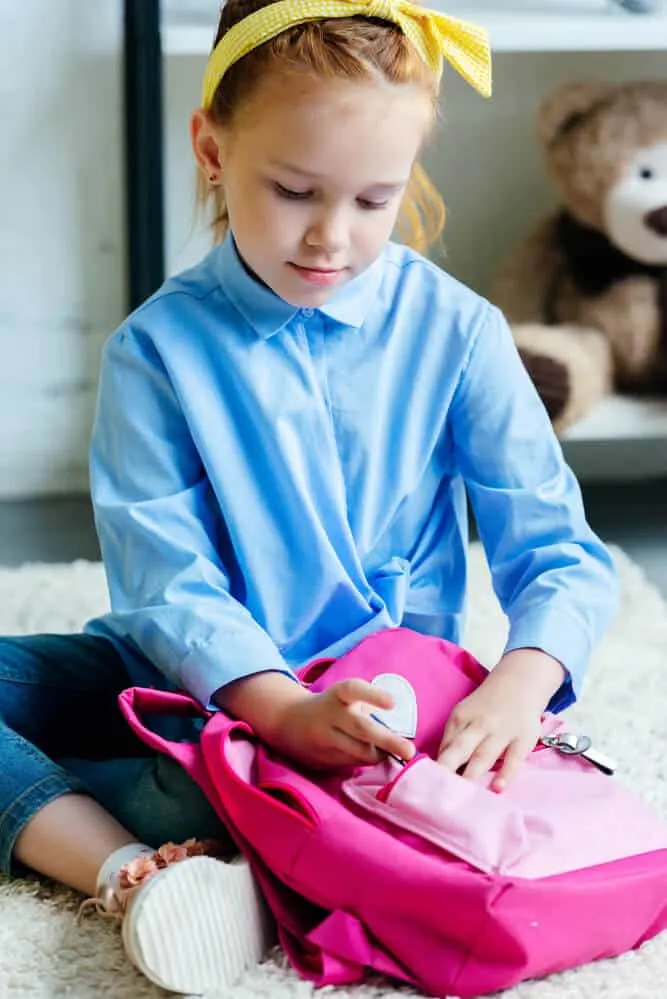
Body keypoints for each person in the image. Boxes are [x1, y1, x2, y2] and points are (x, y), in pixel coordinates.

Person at [0, 0, 619, 993]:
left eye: (376, 200)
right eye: (294, 191)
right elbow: (168, 583)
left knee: (191, 789)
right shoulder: (158, 351)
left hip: (373, 718)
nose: (332, 237)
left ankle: (176, 853)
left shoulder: (457, 333)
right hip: (215, 687)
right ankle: (139, 873)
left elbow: (557, 550)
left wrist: (519, 681)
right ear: (210, 147)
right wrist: (277, 705)